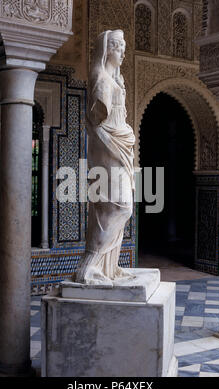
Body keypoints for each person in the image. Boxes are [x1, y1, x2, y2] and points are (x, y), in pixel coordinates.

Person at [75, 30, 136, 285]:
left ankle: (109, 267)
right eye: (118, 47)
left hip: (120, 149)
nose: (122, 52)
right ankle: (88, 268)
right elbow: (95, 125)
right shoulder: (102, 79)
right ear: (107, 49)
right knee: (119, 207)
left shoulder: (116, 80)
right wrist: (118, 137)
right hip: (108, 151)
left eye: (123, 47)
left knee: (115, 209)